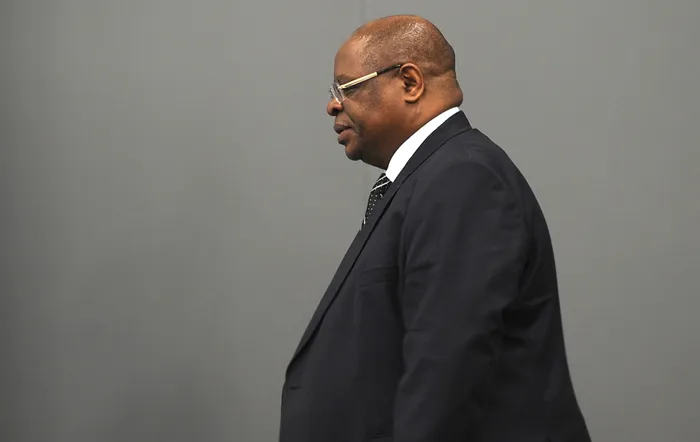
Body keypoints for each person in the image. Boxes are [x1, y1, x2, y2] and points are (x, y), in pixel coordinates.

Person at [280, 14, 591, 442]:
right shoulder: (430, 179)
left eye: (346, 88)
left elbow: (446, 366)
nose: (333, 105)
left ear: (410, 82)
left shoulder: (462, 179)